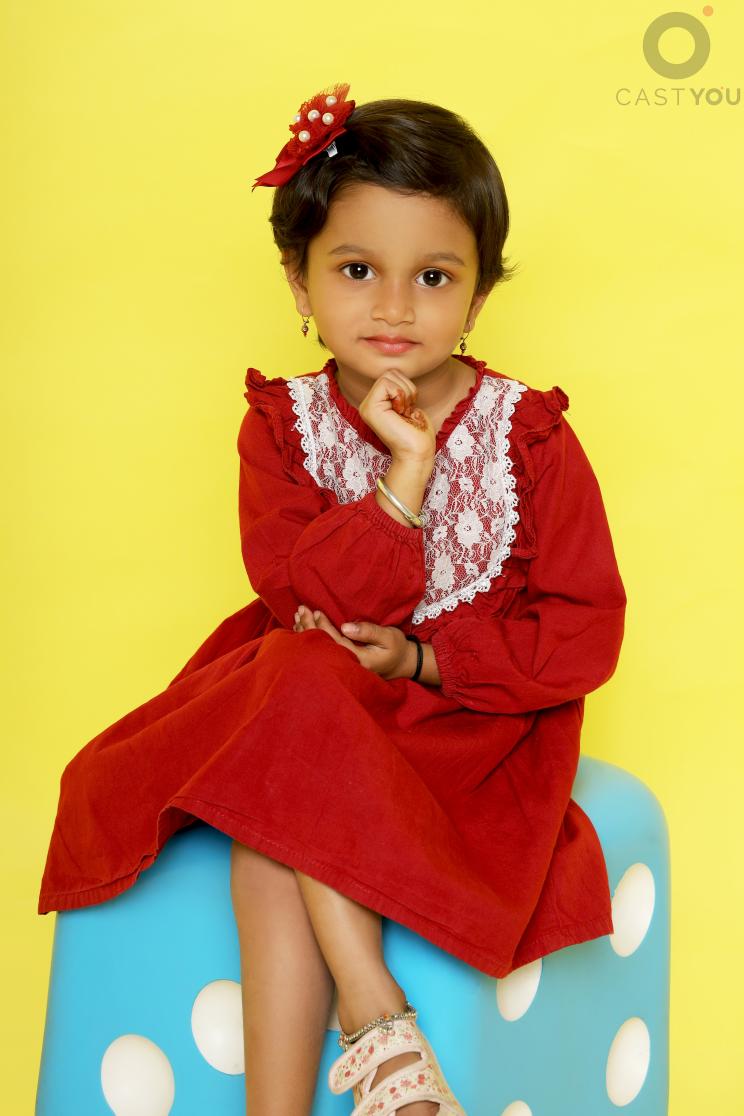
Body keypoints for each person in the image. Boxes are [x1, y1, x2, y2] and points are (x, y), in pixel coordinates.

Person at [38, 82, 627, 1116]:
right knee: (296, 705)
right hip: (314, 715)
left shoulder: (529, 438)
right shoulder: (281, 428)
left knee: (288, 757)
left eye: (433, 277)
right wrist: (403, 479)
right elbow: (304, 588)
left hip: (457, 733)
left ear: (477, 297)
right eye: (357, 270)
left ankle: (367, 1030)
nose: (394, 308)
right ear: (299, 281)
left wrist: (426, 659)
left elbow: (584, 632)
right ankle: (361, 1039)